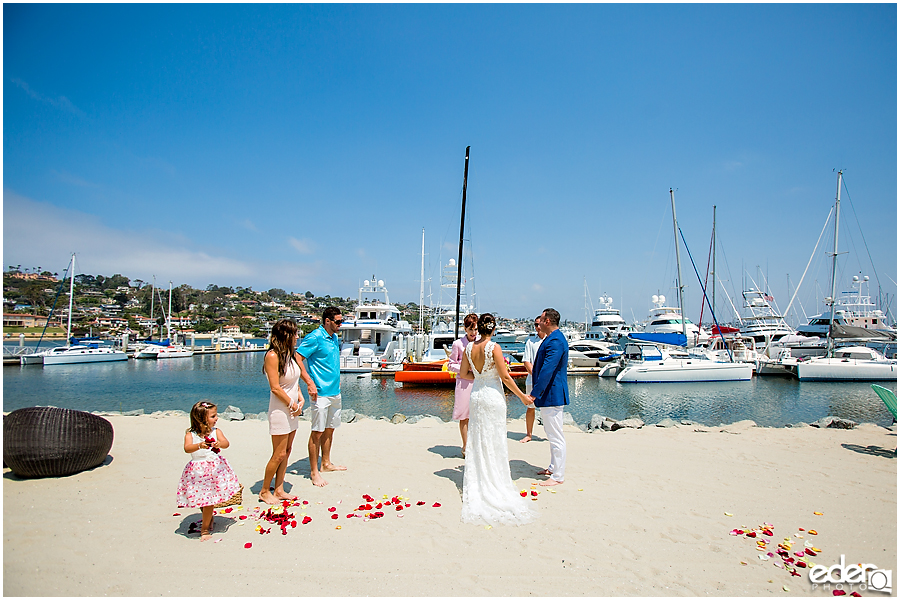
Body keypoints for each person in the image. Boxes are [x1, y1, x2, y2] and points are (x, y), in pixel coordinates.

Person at [458, 313, 537, 526]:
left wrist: (481, 378)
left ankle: (481, 479)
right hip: (492, 396)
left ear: (479, 328)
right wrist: (522, 397)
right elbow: (504, 377)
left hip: (477, 396)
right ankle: (495, 481)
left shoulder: (468, 348)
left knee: (479, 439)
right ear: (493, 329)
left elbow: (464, 374)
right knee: (494, 439)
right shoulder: (494, 348)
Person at [260, 319, 314, 504]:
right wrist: (292, 405)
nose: (298, 337)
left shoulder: (289, 354)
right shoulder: (272, 356)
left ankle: (280, 488)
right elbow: (275, 387)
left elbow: (293, 381)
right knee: (279, 453)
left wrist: (300, 397)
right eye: (295, 333)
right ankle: (265, 489)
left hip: (292, 408)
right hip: (280, 410)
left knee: (288, 450)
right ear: (285, 335)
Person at [176, 400, 241, 541]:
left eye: (215, 415)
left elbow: (226, 443)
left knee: (208, 501)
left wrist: (219, 443)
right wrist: (199, 445)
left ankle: (205, 529)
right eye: (213, 416)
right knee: (202, 500)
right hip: (197, 472)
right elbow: (187, 448)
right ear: (200, 419)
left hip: (214, 470)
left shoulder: (216, 431)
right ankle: (208, 518)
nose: (216, 418)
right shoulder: (190, 434)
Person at [298, 306, 345, 487]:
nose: (341, 325)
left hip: (335, 392)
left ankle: (326, 463)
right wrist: (309, 382)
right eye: (338, 322)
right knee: (317, 432)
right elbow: (298, 357)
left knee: (330, 429)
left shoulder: (333, 337)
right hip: (320, 393)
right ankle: (314, 472)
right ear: (327, 321)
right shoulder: (315, 337)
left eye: (341, 321)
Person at [527, 308, 569, 486]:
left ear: (548, 322)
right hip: (549, 394)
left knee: (555, 435)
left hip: (552, 393)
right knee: (551, 434)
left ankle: (558, 476)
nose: (538, 323)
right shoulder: (551, 339)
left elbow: (547, 369)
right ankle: (553, 467)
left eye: (541, 320)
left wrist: (534, 394)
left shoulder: (556, 341)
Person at [447, 313, 478, 457]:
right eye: (470, 329)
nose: (473, 333)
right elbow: (451, 365)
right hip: (464, 383)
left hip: (478, 381)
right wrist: (465, 368)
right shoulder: (458, 344)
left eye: (476, 329)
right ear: (465, 329)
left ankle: (476, 445)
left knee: (477, 415)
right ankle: (466, 446)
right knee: (464, 415)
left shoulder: (480, 342)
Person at [520, 315, 545, 443]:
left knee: (548, 408)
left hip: (546, 380)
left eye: (539, 324)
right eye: (535, 325)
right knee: (530, 407)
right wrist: (535, 375)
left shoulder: (549, 340)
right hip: (532, 380)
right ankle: (529, 434)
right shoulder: (530, 341)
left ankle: (550, 434)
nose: (538, 327)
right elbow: (526, 361)